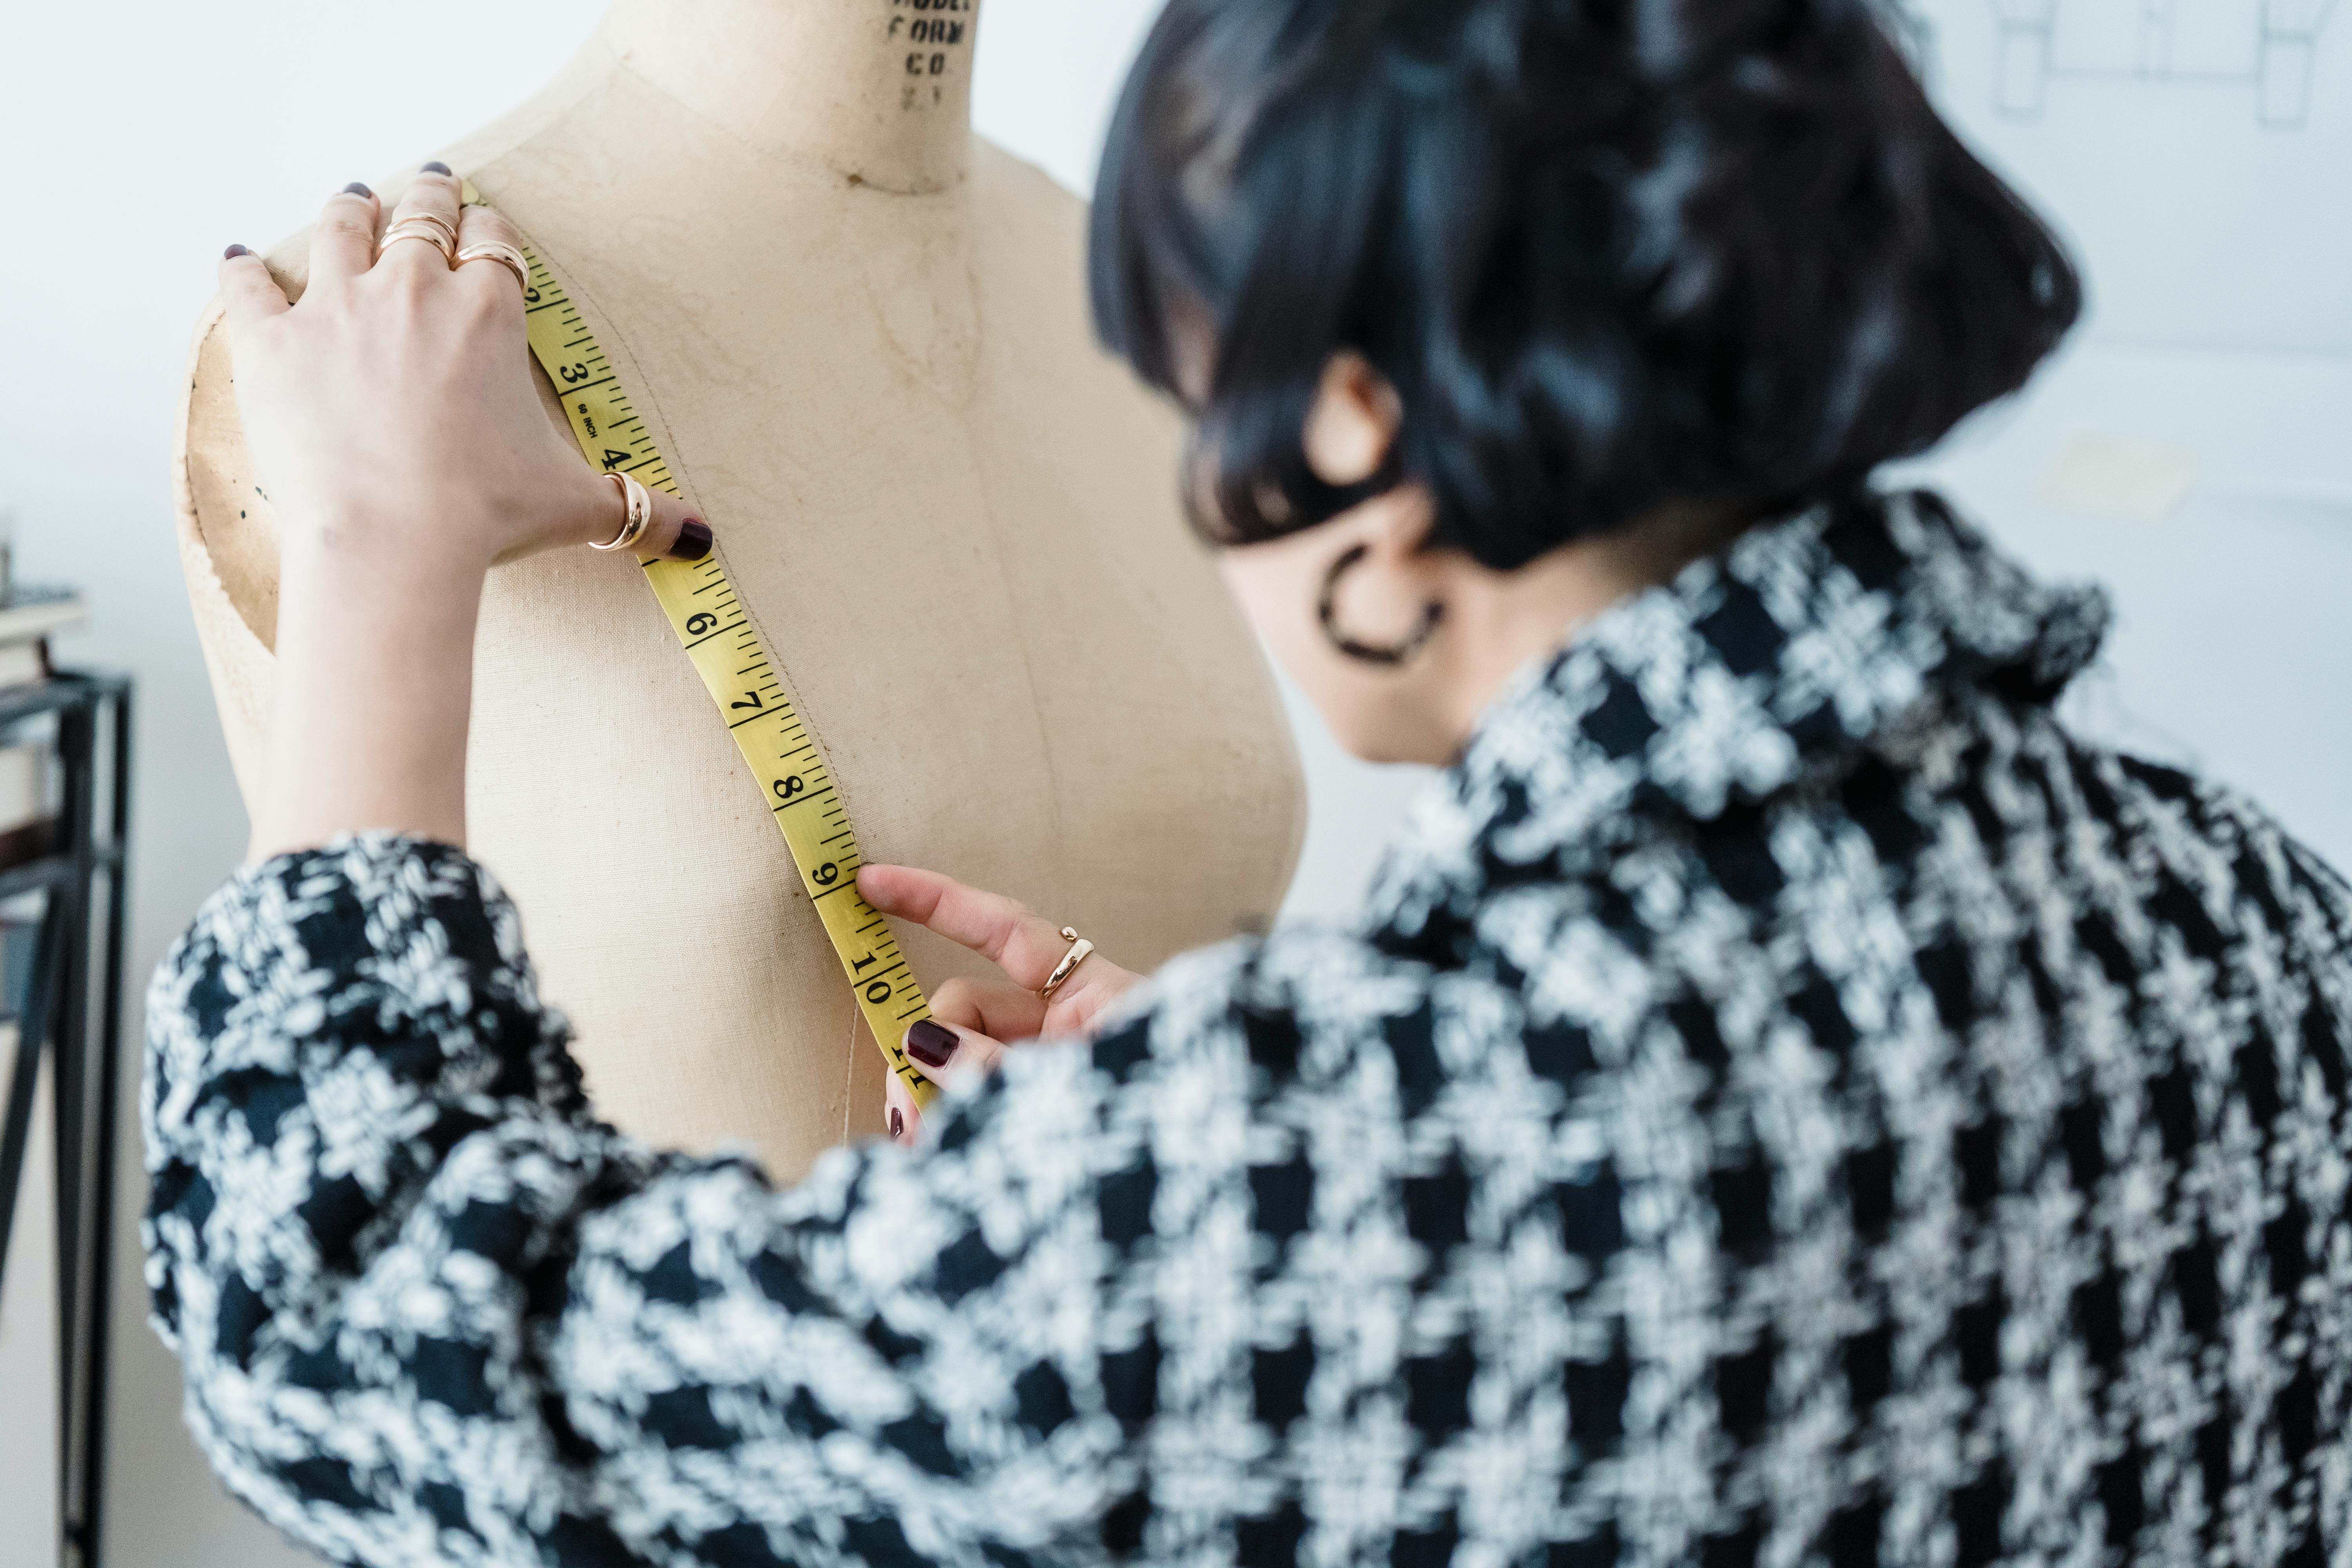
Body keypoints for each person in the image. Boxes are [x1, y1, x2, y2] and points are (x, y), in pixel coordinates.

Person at [143, 1, 2352, 1566]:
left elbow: (346, 1325)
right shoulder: (2263, 925)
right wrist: (1201, 1156)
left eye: (1202, 410)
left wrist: (376, 554)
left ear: (1373, 495)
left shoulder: (1367, 1163)